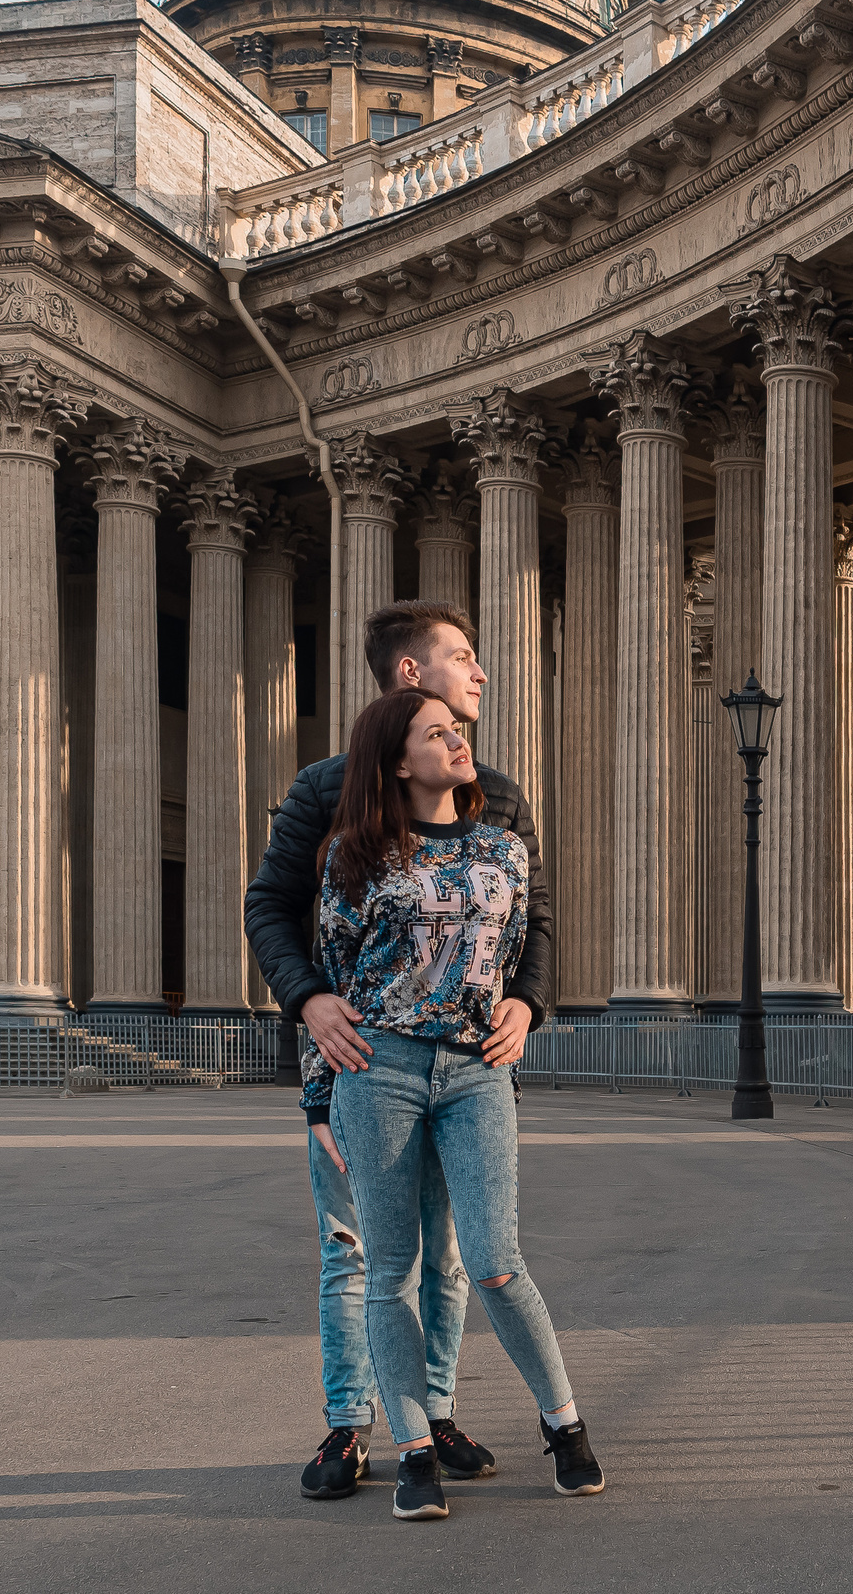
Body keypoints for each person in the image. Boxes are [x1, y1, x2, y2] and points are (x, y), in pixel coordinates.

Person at [244, 601, 554, 1500]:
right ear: (410, 675)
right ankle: (350, 1428)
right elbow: (271, 906)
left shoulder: (494, 795)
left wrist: (529, 1004)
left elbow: (536, 922)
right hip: (349, 1057)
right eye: (462, 657)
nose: (480, 673)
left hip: (467, 1063)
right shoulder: (322, 790)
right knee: (358, 1251)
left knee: (451, 1256)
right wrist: (308, 1001)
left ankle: (433, 1411)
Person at [304, 685, 601, 1520]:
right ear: (398, 761)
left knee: (496, 1259)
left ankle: (566, 1427)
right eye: (437, 733)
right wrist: (319, 1104)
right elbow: (332, 988)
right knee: (389, 1275)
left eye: (458, 729)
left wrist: (524, 1009)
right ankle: (414, 1453)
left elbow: (519, 951)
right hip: (379, 1068)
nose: (458, 740)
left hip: (476, 1071)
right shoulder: (352, 856)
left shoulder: (505, 849)